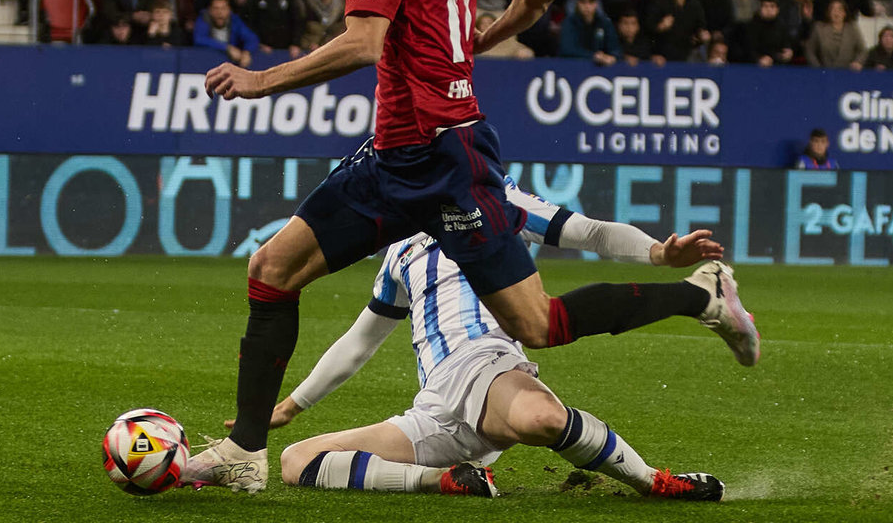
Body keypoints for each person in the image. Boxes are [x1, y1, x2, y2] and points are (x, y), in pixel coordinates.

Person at [189, 0, 760, 494]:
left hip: (448, 165)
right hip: (400, 159)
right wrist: (481, 38)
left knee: (536, 325)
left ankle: (700, 299)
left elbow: (361, 44)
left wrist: (259, 80)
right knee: (272, 269)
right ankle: (244, 451)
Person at [266, 179, 741, 501]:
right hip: (435, 405)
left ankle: (653, 482)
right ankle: (446, 480)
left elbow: (587, 231)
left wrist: (658, 252)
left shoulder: (493, 199)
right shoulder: (398, 252)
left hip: (484, 361)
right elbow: (359, 342)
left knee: (542, 419)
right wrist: (292, 405)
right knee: (298, 461)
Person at [194, 0, 257, 66]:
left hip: (229, 64)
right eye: (216, 8)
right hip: (205, 61)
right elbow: (200, 39)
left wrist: (247, 52)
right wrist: (227, 48)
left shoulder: (235, 21)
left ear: (229, 10)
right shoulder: (204, 19)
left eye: (223, 8)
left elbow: (252, 38)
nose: (219, 12)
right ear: (210, 10)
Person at [805, 0, 865, 69]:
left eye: (840, 9)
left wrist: (857, 62)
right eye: (833, 9)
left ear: (844, 13)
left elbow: (862, 50)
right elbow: (809, 50)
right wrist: (817, 68)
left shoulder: (852, 28)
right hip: (825, 73)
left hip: (848, 73)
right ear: (829, 13)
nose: (836, 12)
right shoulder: (819, 28)